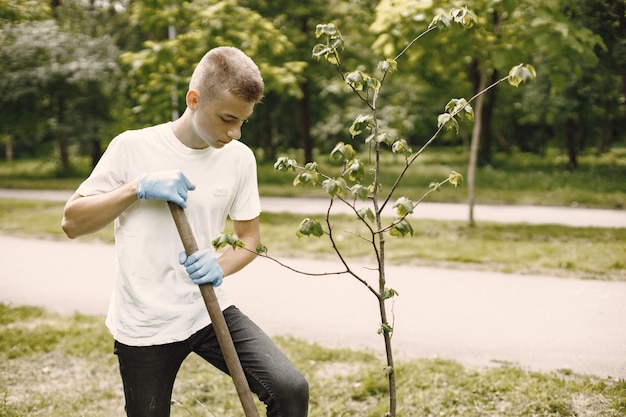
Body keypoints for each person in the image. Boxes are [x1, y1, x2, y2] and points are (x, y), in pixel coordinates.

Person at [61, 46, 309, 417]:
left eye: (243, 121)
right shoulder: (132, 147)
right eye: (227, 118)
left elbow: (249, 240)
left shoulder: (239, 158)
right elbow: (72, 222)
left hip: (207, 308)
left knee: (290, 390)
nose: (235, 132)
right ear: (194, 100)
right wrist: (137, 187)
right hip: (144, 322)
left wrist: (219, 266)